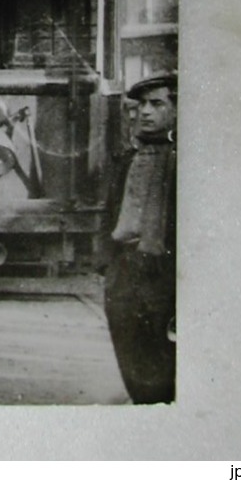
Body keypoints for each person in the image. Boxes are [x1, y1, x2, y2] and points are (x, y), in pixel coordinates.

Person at [104, 71, 177, 404]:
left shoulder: (186, 161)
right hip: (126, 267)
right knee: (129, 346)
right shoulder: (128, 158)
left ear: (177, 109)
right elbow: (111, 212)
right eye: (141, 105)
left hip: (166, 271)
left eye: (157, 104)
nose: (145, 112)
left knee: (166, 354)